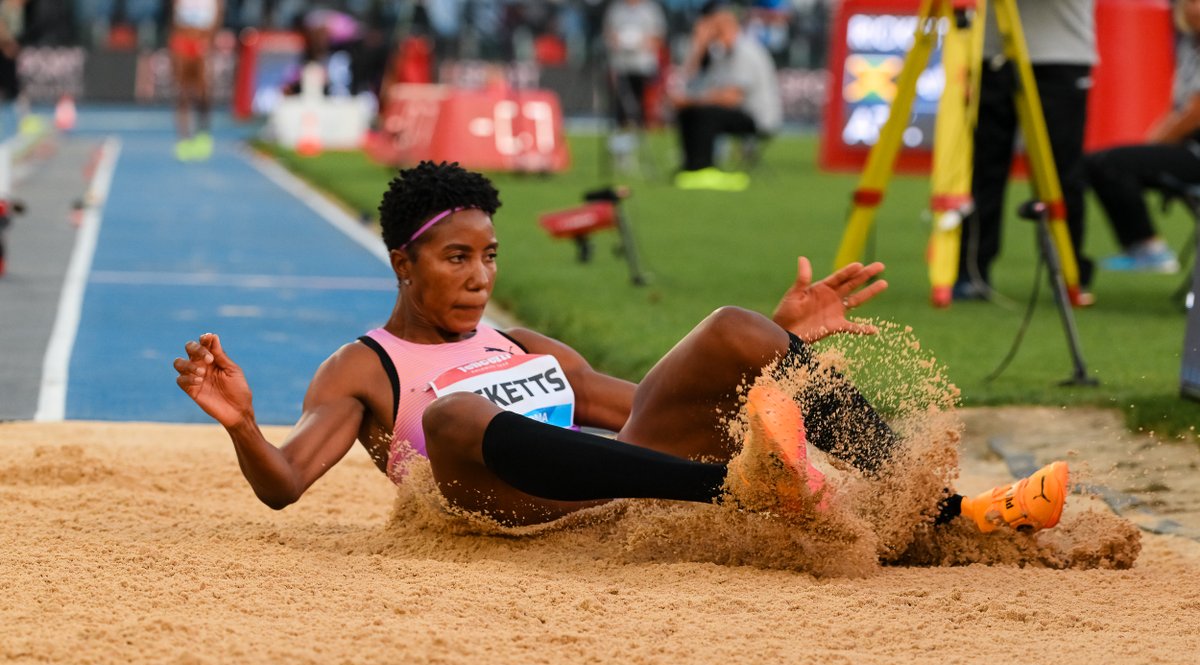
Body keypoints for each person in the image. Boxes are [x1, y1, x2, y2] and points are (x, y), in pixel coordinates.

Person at [173, 160, 1068, 539]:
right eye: (455, 259)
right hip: (500, 517)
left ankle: (943, 510)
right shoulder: (365, 367)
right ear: (404, 263)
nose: (479, 278)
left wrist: (774, 345)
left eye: (489, 256)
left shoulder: (526, 346)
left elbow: (657, 405)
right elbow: (286, 485)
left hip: (619, 493)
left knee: (731, 331)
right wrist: (244, 426)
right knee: (453, 414)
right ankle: (744, 489)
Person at [954, 0, 1097, 306]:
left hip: (1061, 51)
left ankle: (1069, 274)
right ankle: (971, 271)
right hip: (990, 50)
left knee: (1061, 171)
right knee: (983, 169)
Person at [1080, 0, 1200, 275]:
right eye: (1189, 2)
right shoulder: (1187, 44)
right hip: (1189, 146)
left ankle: (1148, 248)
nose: (1194, 9)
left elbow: (1195, 113)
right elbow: (1181, 109)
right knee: (1103, 161)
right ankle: (1143, 245)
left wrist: (1154, 147)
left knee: (1109, 163)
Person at [669, 1, 782, 191]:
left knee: (705, 113)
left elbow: (731, 98)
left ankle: (704, 167)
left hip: (756, 117)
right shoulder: (721, 54)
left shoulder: (746, 52)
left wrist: (691, 100)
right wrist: (699, 46)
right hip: (734, 112)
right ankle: (690, 167)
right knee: (689, 112)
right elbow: (691, 79)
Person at [602, 0, 667, 170]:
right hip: (620, 66)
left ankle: (636, 150)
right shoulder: (616, 9)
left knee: (640, 111)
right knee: (621, 112)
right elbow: (608, 33)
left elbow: (658, 37)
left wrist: (639, 44)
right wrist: (619, 42)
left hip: (642, 67)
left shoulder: (651, 9)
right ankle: (622, 153)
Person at [169, 0, 222, 162]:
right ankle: (183, 139)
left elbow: (218, 16)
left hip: (202, 40)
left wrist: (210, 40)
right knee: (182, 92)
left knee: (203, 92)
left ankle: (203, 135)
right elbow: (174, 15)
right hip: (182, 40)